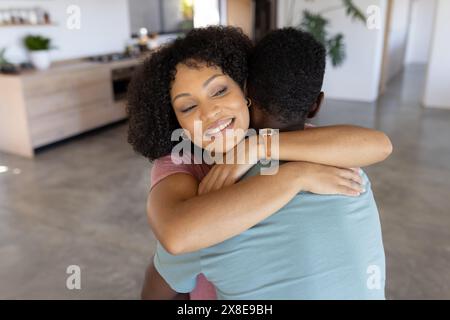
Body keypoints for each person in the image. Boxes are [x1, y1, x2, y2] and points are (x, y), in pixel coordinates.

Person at [126, 26, 392, 299]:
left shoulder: (305, 146)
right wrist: (295, 176)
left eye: (218, 91)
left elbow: (379, 144)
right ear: (174, 121)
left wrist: (258, 147)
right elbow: (175, 235)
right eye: (188, 106)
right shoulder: (185, 171)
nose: (210, 112)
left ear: (245, 91)